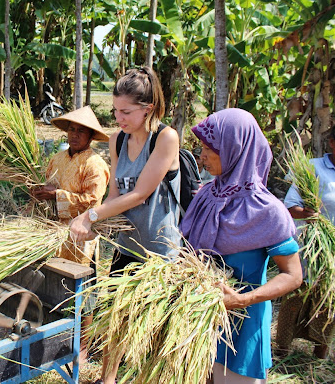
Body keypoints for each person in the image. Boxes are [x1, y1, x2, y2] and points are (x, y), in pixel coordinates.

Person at [69, 67, 181, 384]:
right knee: (115, 318)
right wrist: (100, 221)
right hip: (127, 246)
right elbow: (116, 193)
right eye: (116, 110)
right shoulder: (118, 140)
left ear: (148, 108)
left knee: (155, 328)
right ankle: (108, 380)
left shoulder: (165, 138)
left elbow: (140, 193)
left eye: (126, 111)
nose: (119, 118)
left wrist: (88, 215)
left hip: (160, 252)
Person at [180, 108, 303, 383]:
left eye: (210, 149)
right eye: (201, 148)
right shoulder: (207, 196)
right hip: (199, 322)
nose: (202, 157)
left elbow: (293, 276)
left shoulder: (267, 210)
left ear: (235, 148)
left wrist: (242, 300)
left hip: (242, 327)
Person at [277, 126, 335, 359]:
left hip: (331, 247)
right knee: (297, 295)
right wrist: (310, 214)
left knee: (329, 298)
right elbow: (291, 207)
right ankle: (282, 349)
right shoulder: (313, 167)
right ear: (332, 143)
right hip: (308, 245)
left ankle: (320, 350)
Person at [31, 105, 110, 265]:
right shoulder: (57, 159)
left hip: (79, 235)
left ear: (91, 136)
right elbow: (46, 185)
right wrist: (38, 191)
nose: (74, 135)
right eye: (72, 129)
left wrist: (57, 195)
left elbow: (92, 203)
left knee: (77, 281)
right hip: (51, 232)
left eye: (81, 131)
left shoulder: (95, 165)